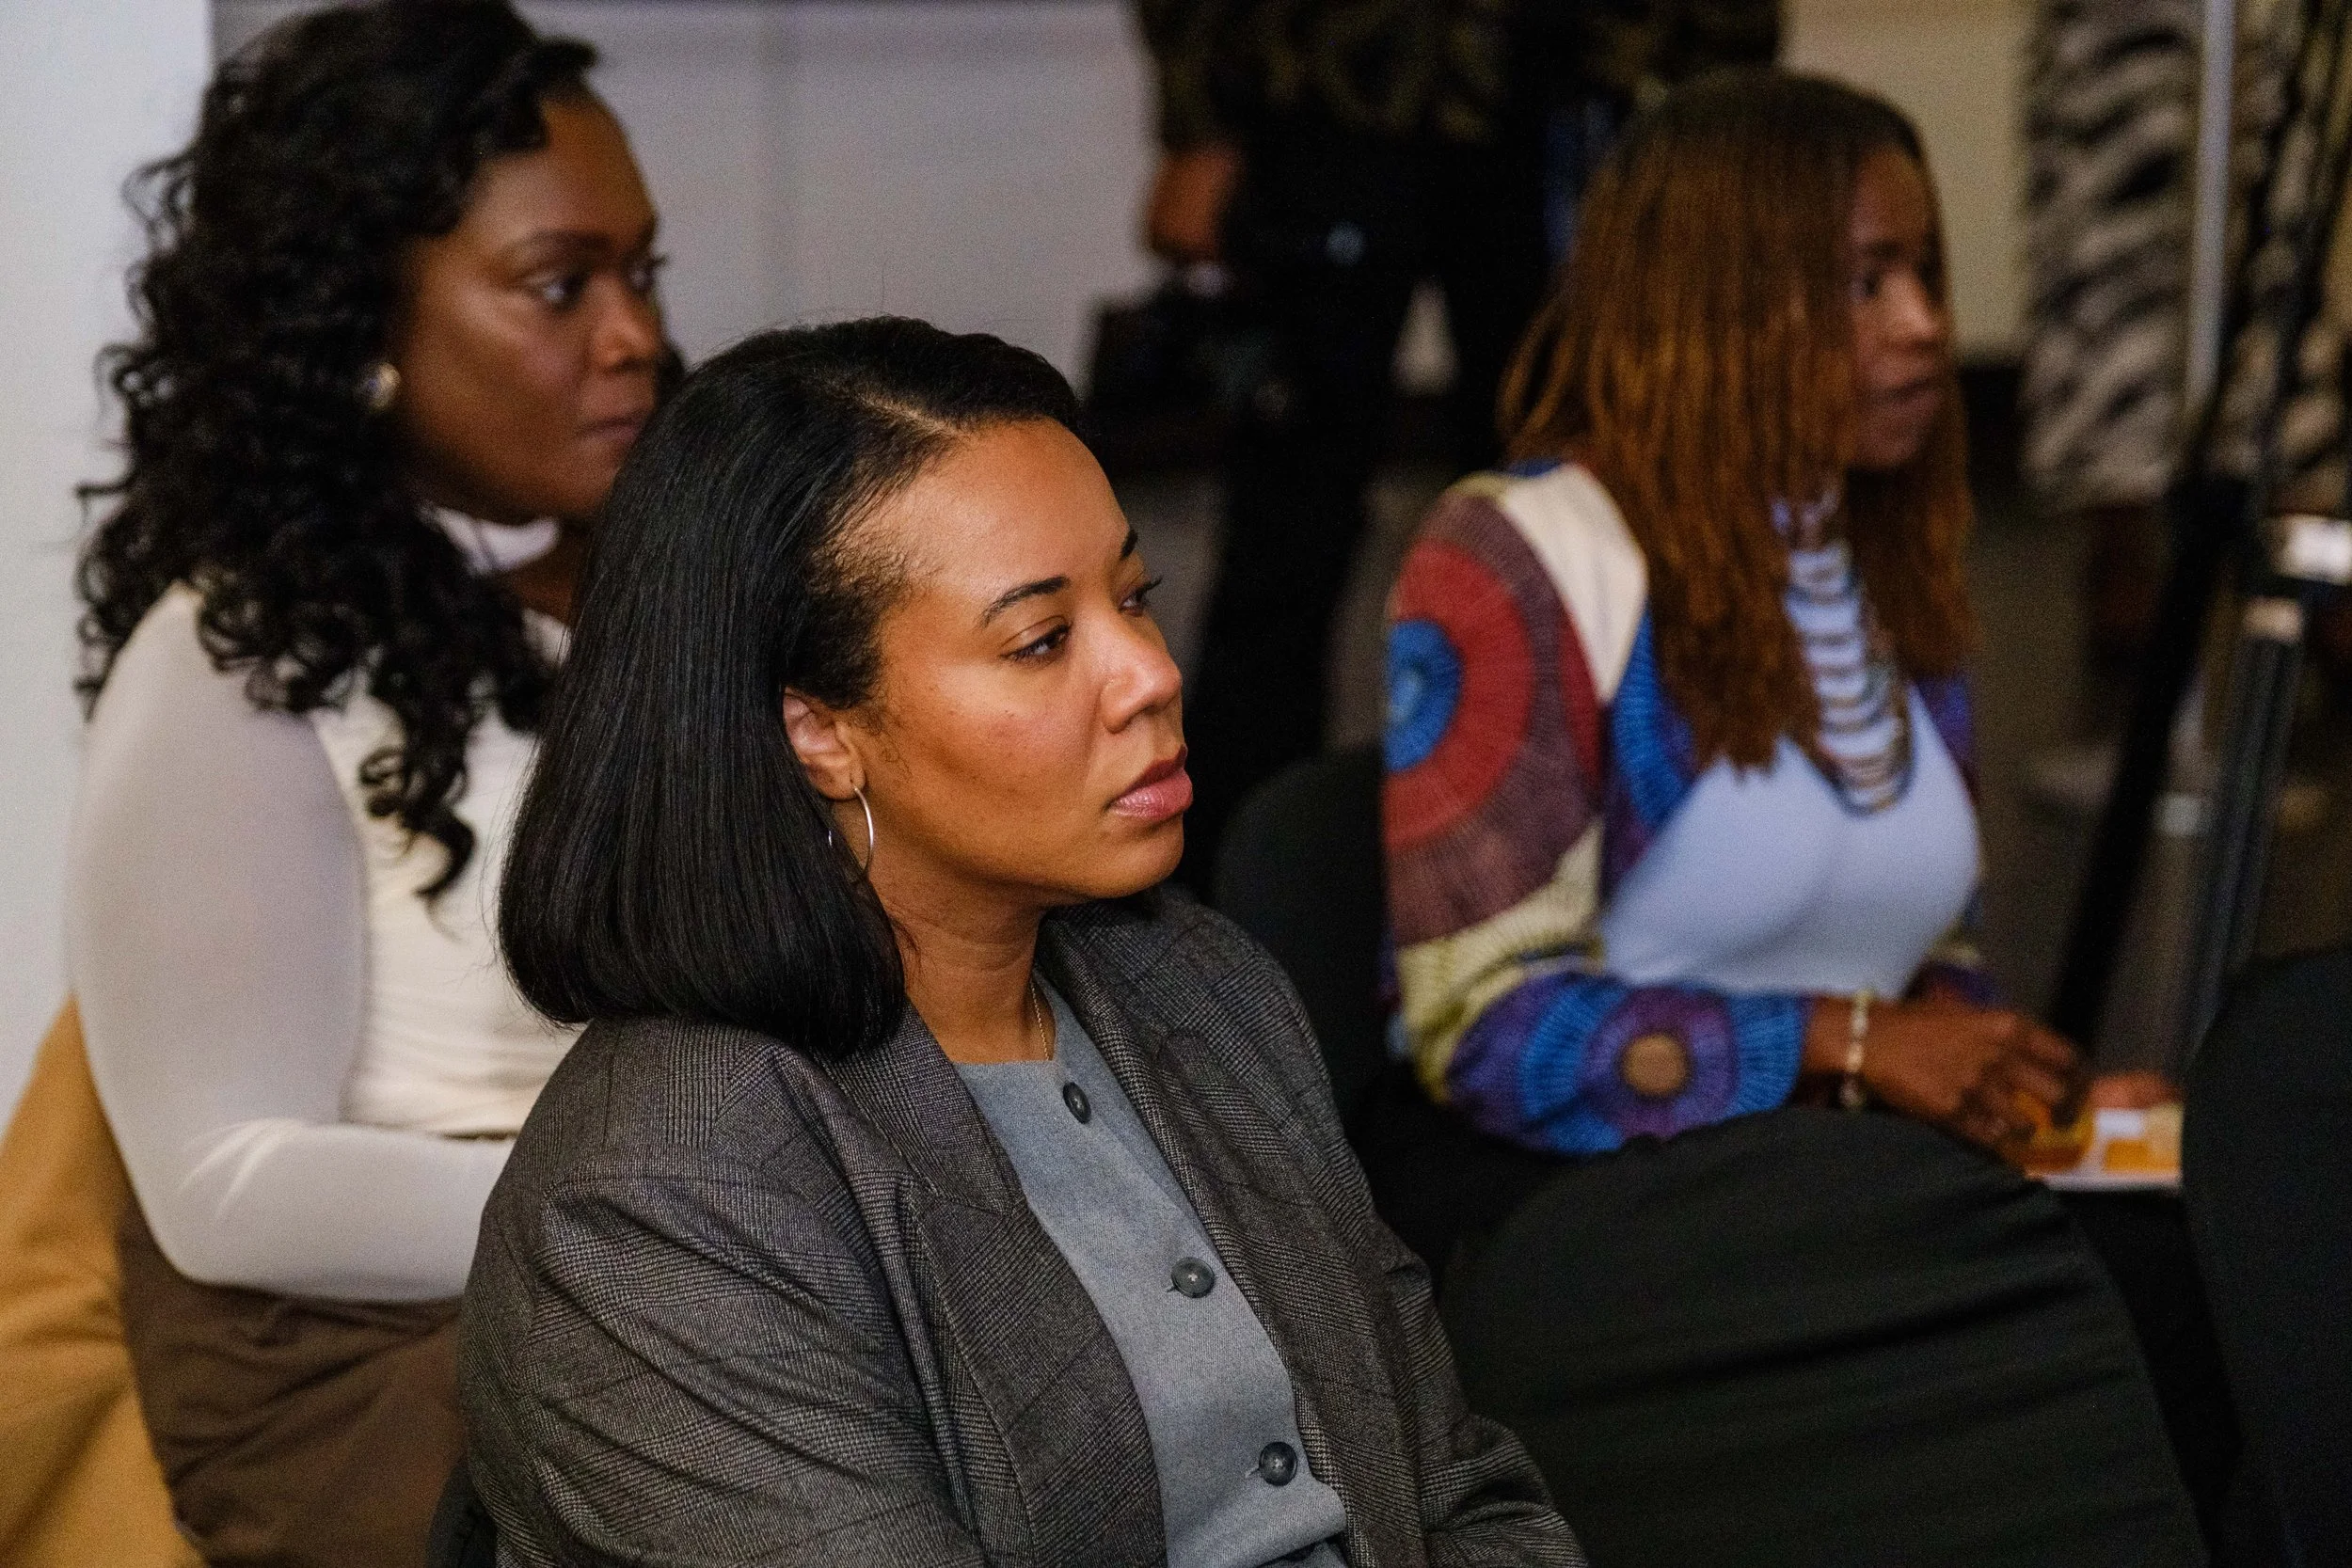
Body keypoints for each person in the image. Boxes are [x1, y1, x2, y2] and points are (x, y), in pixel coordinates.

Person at [461, 318, 1587, 1568]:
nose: (1148, 673)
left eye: (1134, 597)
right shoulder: (661, 1192)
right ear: (818, 729)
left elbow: (1464, 1491)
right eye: (1041, 639)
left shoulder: (1195, 982)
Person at [1378, 71, 2206, 1562]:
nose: (1926, 328)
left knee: (2200, 1246)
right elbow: (1480, 1031)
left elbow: (1915, 937)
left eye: (1927, 274)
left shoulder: (1877, 543)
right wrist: (1855, 1046)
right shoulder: (1514, 558)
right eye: (1861, 284)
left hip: (1824, 1169)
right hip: (1597, 1221)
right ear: (1714, 305)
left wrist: (2018, 1086)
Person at [62, 3, 666, 1561]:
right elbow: (225, 1185)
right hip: (365, 1353)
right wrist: (694, 1215)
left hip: (663, 1284)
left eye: (643, 273)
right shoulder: (236, 653)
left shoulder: (665, 586)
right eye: (560, 286)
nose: (635, 337)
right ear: (363, 332)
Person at [1136, 0, 1783, 892]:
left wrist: (1723, 103)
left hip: (1564, 88)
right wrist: (1198, 125)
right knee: (1286, 534)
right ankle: (1220, 896)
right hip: (1328, 91)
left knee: (1576, 516)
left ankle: (1580, 844)